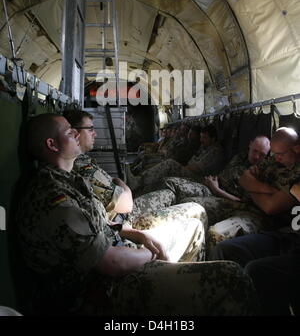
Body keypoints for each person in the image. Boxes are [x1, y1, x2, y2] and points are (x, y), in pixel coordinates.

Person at [15, 113, 258, 316]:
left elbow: (100, 223)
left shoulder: (71, 180)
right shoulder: (54, 197)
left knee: (192, 225)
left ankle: (182, 293)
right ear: (52, 145)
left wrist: (134, 234)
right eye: (70, 132)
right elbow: (111, 263)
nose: (77, 134)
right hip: (102, 293)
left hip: (119, 251)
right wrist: (148, 254)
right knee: (233, 279)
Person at [63, 110, 207, 254]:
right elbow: (126, 205)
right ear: (75, 134)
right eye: (90, 129)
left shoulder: (79, 162)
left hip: (118, 217)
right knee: (194, 210)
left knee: (169, 192)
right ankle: (135, 183)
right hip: (124, 219)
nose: (95, 133)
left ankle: (136, 182)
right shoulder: (79, 166)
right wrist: (125, 188)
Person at [209, 127, 300, 315]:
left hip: (285, 234)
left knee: (257, 271)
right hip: (286, 235)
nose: (275, 158)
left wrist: (253, 189)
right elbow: (244, 178)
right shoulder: (273, 164)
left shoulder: (296, 172)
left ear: (296, 149)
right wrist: (264, 190)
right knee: (225, 249)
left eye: (280, 154)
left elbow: (270, 207)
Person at [128, 124, 224, 196]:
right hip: (191, 171)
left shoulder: (215, 151)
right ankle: (139, 184)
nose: (201, 140)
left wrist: (179, 169)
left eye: (205, 138)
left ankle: (137, 182)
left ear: (213, 138)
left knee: (170, 164)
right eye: (201, 137)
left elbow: (196, 168)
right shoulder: (204, 147)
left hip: (202, 179)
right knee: (166, 166)